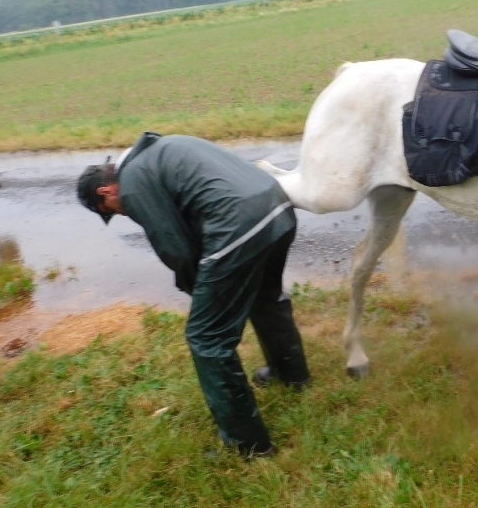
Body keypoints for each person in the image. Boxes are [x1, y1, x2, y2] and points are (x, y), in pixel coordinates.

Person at [77, 132, 310, 457]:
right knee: (264, 297)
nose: (122, 212)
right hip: (278, 208)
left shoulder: (132, 183)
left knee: (206, 337)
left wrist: (199, 290)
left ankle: (247, 444)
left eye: (111, 210)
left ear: (107, 191)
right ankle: (292, 374)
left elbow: (176, 248)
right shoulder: (161, 148)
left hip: (239, 224)